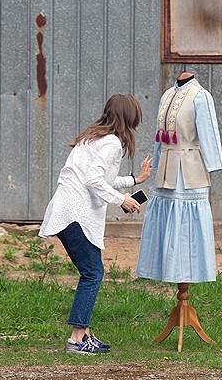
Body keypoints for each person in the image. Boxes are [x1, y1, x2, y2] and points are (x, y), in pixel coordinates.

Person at [39, 94, 152, 355]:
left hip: (66, 211)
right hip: (76, 214)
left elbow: (101, 178)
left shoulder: (94, 137)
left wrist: (134, 180)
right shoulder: (112, 143)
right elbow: (93, 180)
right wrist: (121, 200)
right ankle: (77, 338)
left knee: (91, 272)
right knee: (93, 274)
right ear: (129, 117)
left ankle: (84, 334)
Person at [134, 72, 222, 348]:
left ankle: (186, 297)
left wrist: (213, 164)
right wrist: (155, 164)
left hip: (190, 173)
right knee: (169, 226)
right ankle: (175, 287)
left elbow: (208, 133)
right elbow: (160, 139)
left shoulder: (200, 96)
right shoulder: (167, 94)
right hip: (166, 174)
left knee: (187, 229)